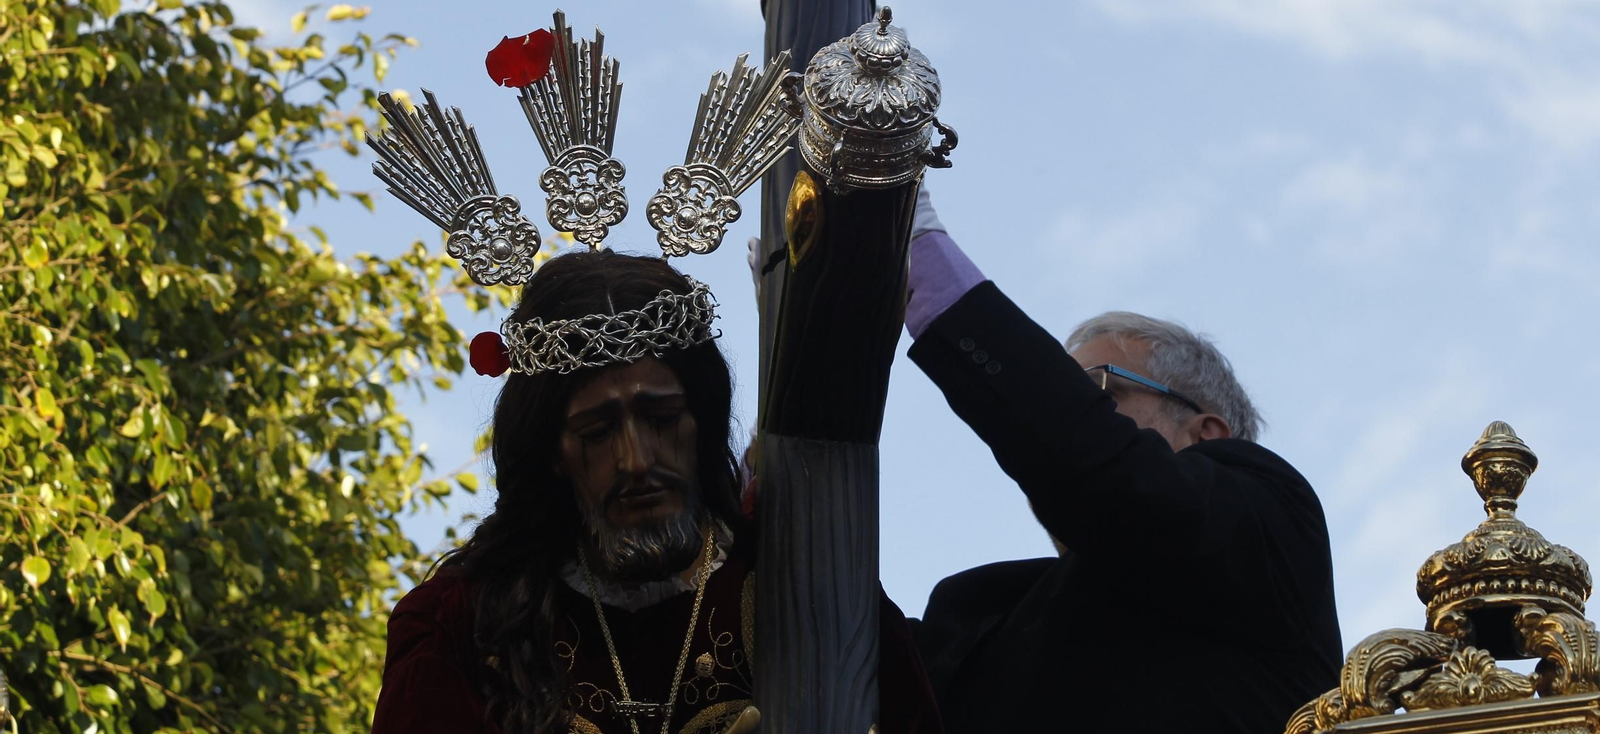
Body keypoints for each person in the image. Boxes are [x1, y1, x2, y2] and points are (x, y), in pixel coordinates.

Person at [371, 249, 940, 734]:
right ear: (552, 452)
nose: (636, 460)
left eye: (662, 419)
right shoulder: (462, 624)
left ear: (702, 422)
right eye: (597, 432)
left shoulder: (809, 586)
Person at [905, 189, 1342, 734]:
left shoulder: (1273, 521)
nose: (1066, 405)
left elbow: (1107, 473)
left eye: (1095, 390)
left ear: (1205, 433)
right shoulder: (978, 612)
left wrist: (919, 256)